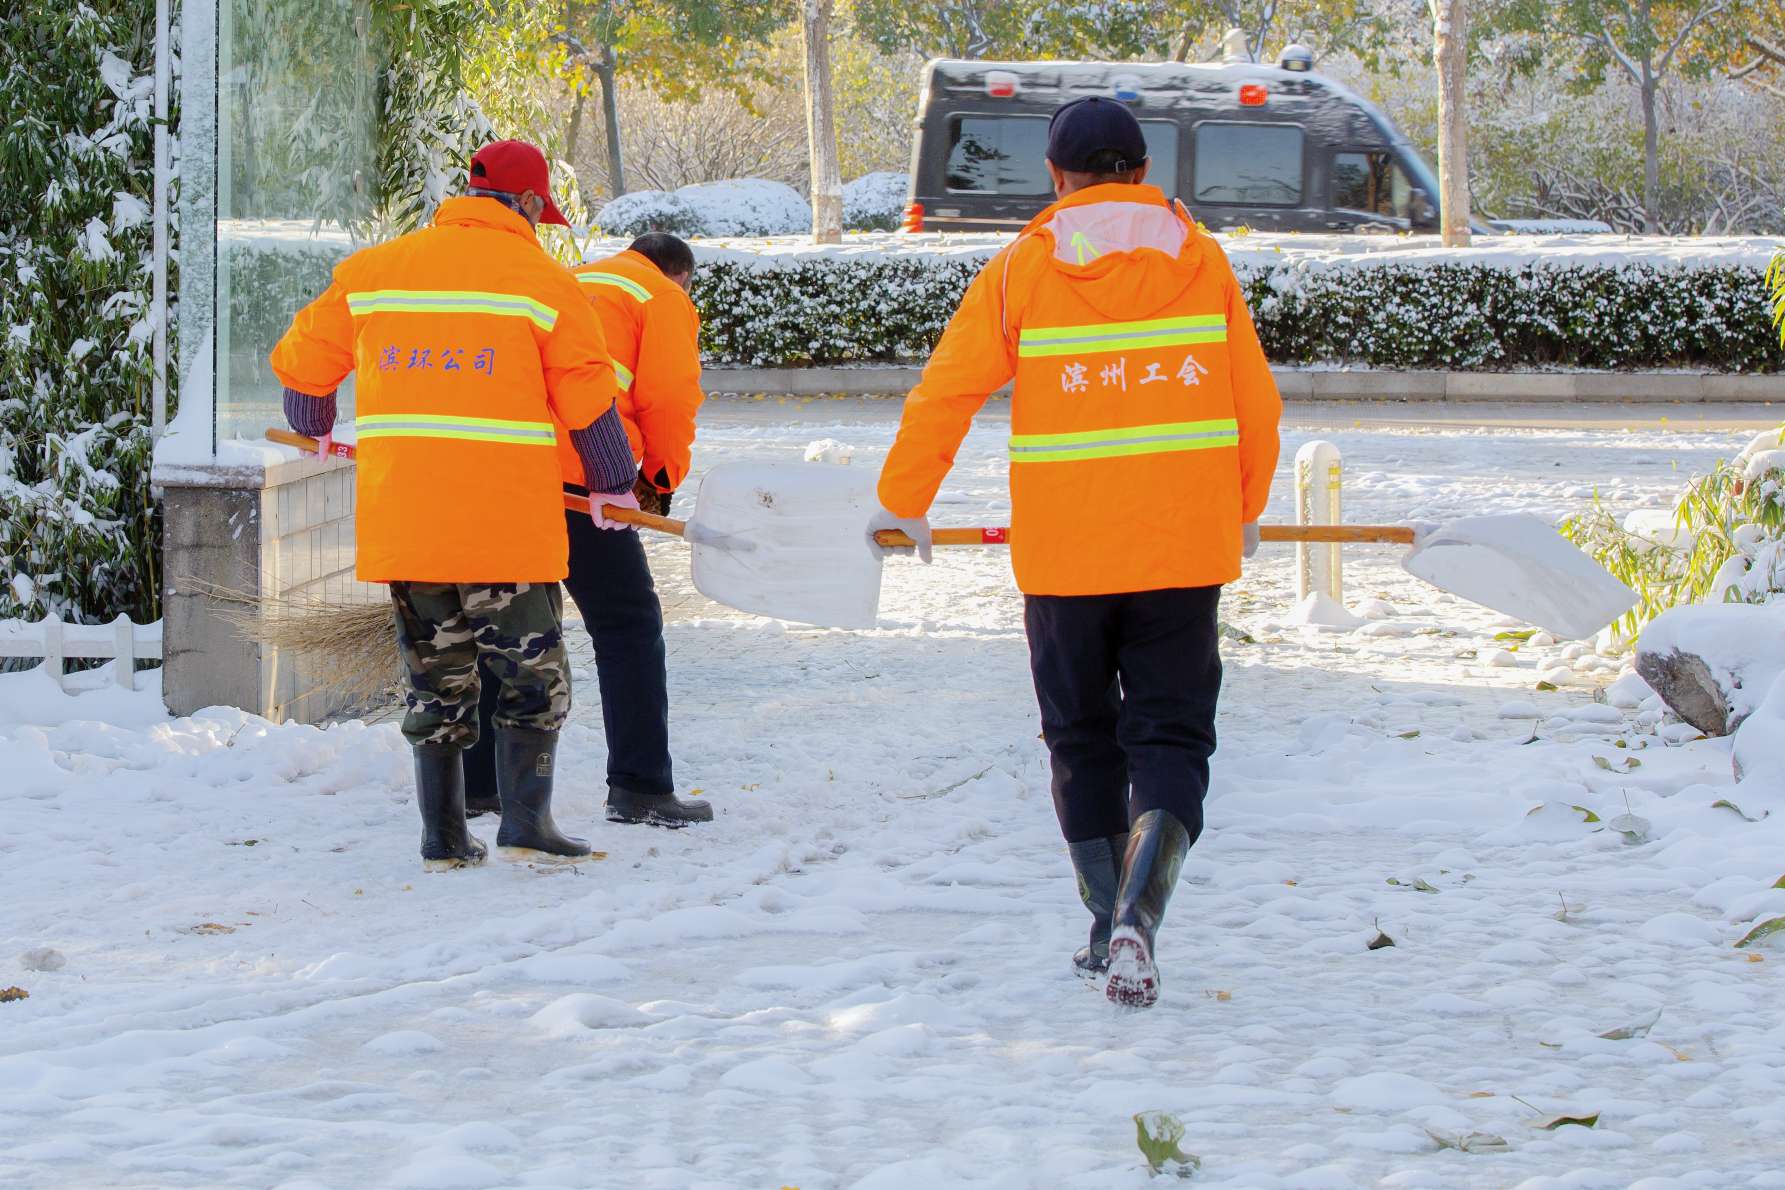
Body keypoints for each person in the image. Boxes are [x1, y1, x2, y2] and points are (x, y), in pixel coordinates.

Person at [873, 97, 1282, 1008]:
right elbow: (1255, 402)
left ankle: (1105, 923)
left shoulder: (1022, 269)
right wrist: (1244, 506)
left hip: (1064, 556)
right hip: (1181, 548)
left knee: (1079, 736)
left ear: (1055, 177)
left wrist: (901, 504)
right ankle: (1142, 913)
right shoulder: (1202, 260)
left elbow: (945, 394)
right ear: (1140, 169)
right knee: (1170, 736)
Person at [269, 140, 642, 871]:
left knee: (436, 681)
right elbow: (587, 395)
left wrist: (312, 426)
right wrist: (612, 483)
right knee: (534, 679)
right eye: (543, 213)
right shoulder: (540, 279)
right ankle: (527, 826)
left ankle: (442, 836)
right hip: (503, 525)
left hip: (407, 522)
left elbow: (303, 363)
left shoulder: (375, 270)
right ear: (529, 205)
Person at [463, 232, 712, 828]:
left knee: (504, 623)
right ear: (680, 275)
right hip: (587, 483)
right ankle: (640, 786)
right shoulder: (660, 296)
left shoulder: (566, 278)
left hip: (513, 473)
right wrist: (658, 476)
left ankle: (478, 784)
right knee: (627, 625)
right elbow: (671, 398)